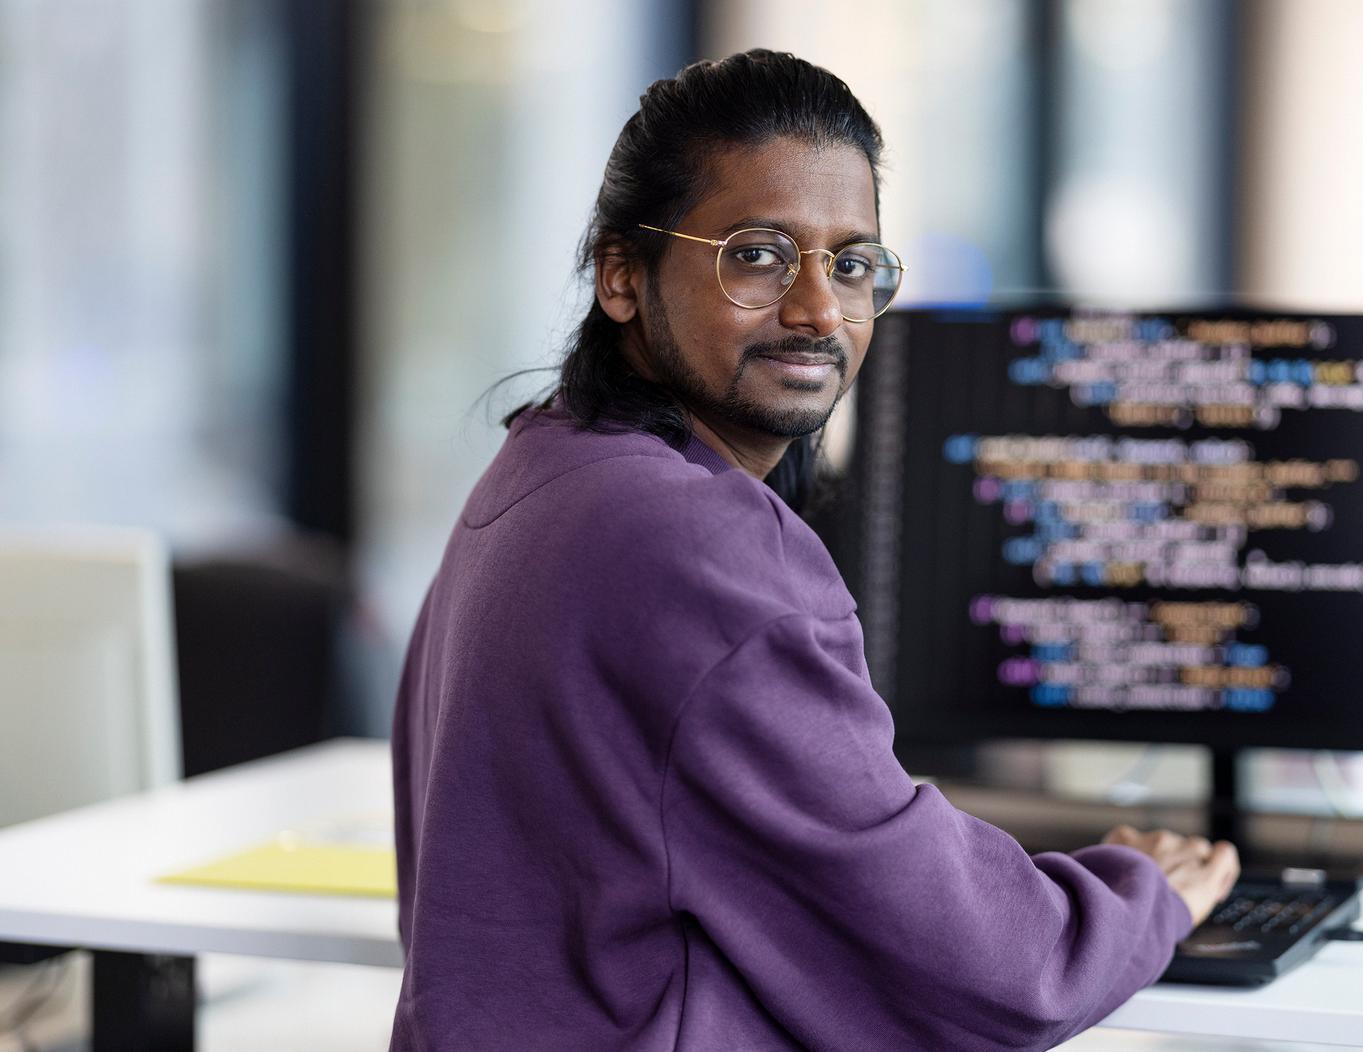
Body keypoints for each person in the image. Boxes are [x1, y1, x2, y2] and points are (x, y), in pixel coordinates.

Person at [390, 49, 1239, 1050]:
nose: (818, 310)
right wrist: (1145, 893)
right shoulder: (694, 539)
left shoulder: (548, 461)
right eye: (756, 254)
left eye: (852, 264)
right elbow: (997, 975)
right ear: (622, 275)